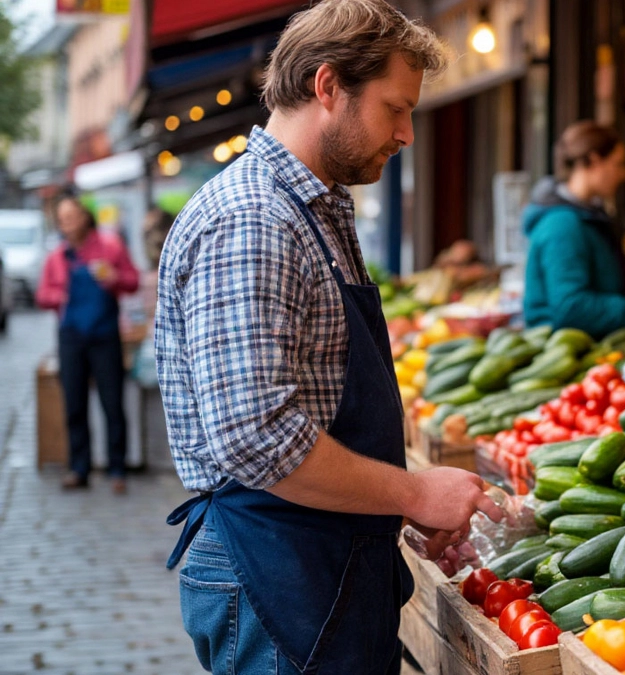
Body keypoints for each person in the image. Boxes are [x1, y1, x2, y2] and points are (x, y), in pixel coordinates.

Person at [154, 2, 503, 673]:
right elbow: (255, 436)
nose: (406, 134)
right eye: (395, 108)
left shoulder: (314, 208)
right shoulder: (254, 218)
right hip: (277, 571)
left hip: (319, 559)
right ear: (327, 86)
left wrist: (394, 504)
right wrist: (412, 492)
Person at [523, 121, 625, 338]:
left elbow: (607, 284)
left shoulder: (588, 215)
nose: (624, 174)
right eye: (618, 164)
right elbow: (571, 306)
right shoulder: (562, 225)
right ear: (594, 161)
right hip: (565, 347)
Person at [36, 196, 139, 494]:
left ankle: (117, 468)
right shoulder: (57, 257)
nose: (65, 223)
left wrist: (114, 277)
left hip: (105, 335)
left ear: (85, 217)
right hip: (71, 337)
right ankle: (79, 467)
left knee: (112, 403)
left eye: (70, 216)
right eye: (61, 218)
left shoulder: (110, 247)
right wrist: (61, 296)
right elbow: (42, 295)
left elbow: (132, 281)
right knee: (74, 404)